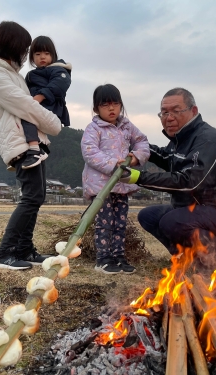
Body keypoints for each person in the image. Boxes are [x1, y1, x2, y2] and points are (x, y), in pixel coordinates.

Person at [119, 88, 216, 271]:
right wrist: (140, 148)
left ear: (193, 111)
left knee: (172, 221)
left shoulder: (207, 139)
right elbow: (168, 159)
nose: (168, 117)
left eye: (176, 111)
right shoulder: (180, 139)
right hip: (195, 208)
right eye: (164, 112)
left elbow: (189, 181)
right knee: (148, 216)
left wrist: (138, 177)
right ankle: (187, 257)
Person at [0, 21, 62, 270]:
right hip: (21, 145)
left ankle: (24, 249)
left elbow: (29, 107)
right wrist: (54, 124)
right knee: (31, 197)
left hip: (32, 144)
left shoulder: (11, 74)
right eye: (25, 49)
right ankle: (3, 254)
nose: (27, 54)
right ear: (14, 46)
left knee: (36, 196)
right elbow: (27, 107)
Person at [81, 84, 150, 274]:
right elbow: (89, 152)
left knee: (120, 222)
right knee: (105, 222)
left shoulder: (127, 126)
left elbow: (142, 141)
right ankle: (103, 259)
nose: (111, 109)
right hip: (101, 187)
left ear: (121, 105)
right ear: (96, 109)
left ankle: (119, 256)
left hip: (122, 184)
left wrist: (137, 157)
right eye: (105, 105)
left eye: (115, 104)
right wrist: (113, 164)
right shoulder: (94, 128)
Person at [20, 36, 72, 169]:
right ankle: (29, 150)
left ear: (53, 55)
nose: (42, 57)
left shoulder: (59, 69)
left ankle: (34, 150)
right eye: (38, 54)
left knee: (27, 116)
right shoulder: (31, 75)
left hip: (52, 106)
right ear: (32, 58)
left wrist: (41, 95)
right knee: (20, 118)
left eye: (46, 53)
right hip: (39, 105)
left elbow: (60, 83)